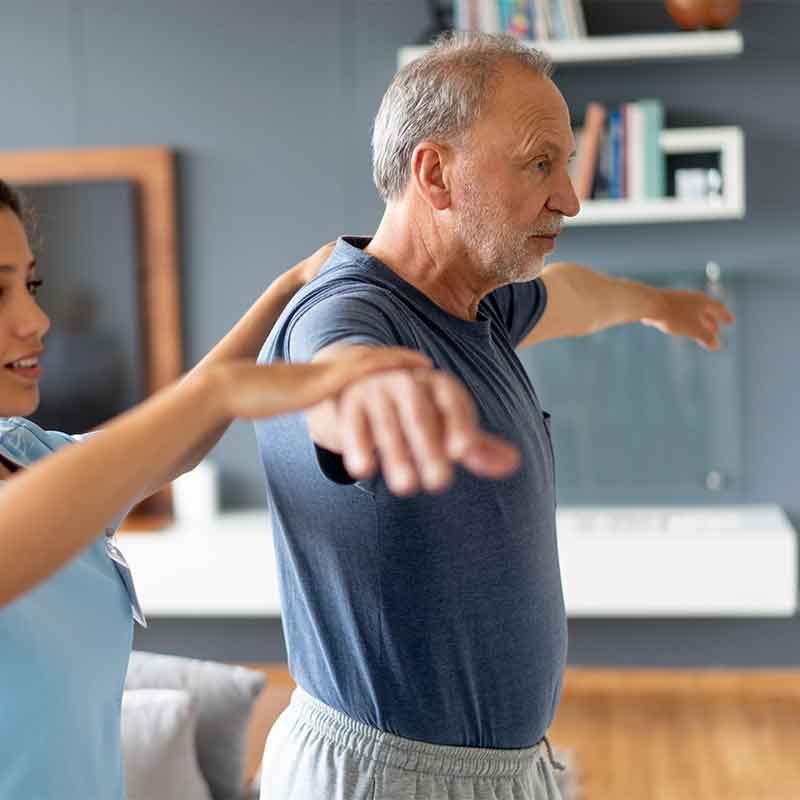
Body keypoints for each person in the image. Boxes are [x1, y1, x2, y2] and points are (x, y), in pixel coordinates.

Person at [254, 32, 735, 800]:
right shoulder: (347, 308)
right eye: (540, 163)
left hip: (499, 770)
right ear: (436, 173)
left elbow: (572, 294)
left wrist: (657, 306)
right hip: (386, 779)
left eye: (567, 164)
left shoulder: (472, 305)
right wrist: (375, 402)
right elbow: (335, 373)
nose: (570, 198)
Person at [0, 177, 436, 799]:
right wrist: (222, 391)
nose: (36, 319)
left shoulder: (24, 453)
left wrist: (286, 291)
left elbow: (164, 447)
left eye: (30, 285)